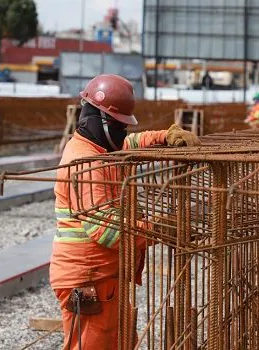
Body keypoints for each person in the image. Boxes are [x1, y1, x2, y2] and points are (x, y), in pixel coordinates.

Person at [51, 74, 201, 350]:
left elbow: (130, 144)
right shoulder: (85, 163)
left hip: (102, 274)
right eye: (120, 126)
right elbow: (106, 230)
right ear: (101, 121)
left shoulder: (99, 147)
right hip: (88, 277)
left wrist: (164, 136)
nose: (124, 134)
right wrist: (157, 228)